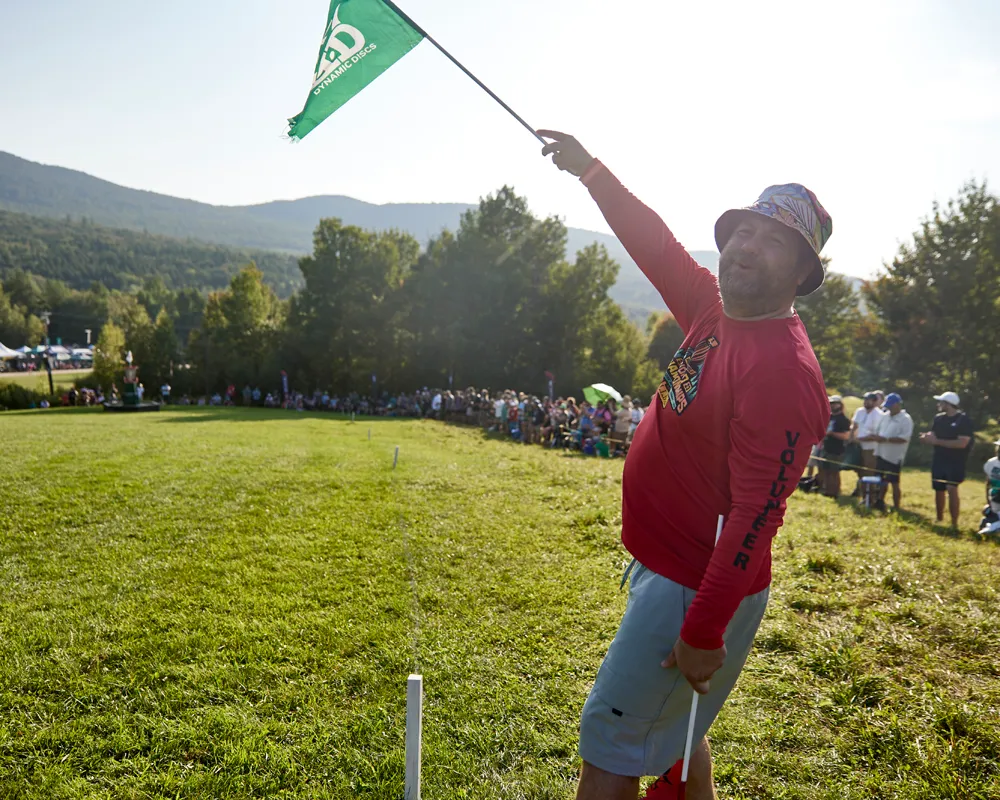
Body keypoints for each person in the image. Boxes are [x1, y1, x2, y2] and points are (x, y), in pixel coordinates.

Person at [540, 130, 830, 800]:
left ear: (800, 273)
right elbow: (655, 245)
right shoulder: (712, 308)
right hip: (668, 569)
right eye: (744, 230)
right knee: (672, 729)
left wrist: (702, 627)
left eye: (774, 240)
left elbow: (757, 518)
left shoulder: (783, 371)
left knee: (611, 744)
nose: (748, 246)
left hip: (692, 585)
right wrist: (591, 171)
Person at [919, 391, 974, 528]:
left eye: (941, 402)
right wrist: (927, 437)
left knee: (951, 488)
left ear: (948, 404)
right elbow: (933, 434)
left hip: (955, 461)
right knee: (938, 489)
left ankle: (954, 523)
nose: (938, 404)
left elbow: (962, 443)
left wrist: (937, 441)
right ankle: (939, 519)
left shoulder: (963, 420)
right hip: (939, 459)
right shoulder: (938, 419)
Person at [871, 393, 913, 510]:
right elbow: (878, 431)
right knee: (880, 480)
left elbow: (904, 438)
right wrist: (876, 437)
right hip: (881, 453)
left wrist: (886, 439)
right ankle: (879, 501)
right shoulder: (885, 416)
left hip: (894, 456)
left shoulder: (905, 419)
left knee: (894, 482)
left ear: (898, 405)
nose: (889, 408)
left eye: (891, 405)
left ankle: (896, 506)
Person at [819, 396, 851, 498]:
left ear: (840, 405)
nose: (833, 406)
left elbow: (846, 436)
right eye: (831, 404)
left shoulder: (844, 420)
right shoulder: (830, 417)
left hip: (837, 450)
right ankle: (827, 490)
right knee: (826, 471)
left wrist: (832, 433)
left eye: (835, 403)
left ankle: (835, 492)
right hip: (826, 448)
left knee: (834, 472)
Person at [851, 392, 884, 488]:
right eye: (865, 400)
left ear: (874, 402)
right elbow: (855, 425)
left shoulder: (879, 415)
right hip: (858, 445)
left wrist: (862, 439)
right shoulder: (859, 411)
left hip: (871, 447)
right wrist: (851, 437)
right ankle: (861, 489)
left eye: (868, 400)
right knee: (859, 469)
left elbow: (877, 434)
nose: (865, 402)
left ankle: (871, 491)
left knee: (869, 470)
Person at [979, 439, 1000, 535]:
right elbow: (988, 483)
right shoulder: (991, 463)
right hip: (995, 499)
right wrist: (988, 502)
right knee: (987, 511)